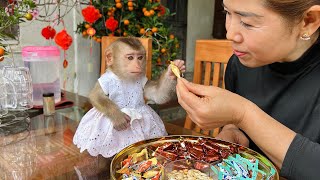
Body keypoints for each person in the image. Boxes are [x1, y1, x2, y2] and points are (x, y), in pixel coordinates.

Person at [176, 0, 320, 179]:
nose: (229, 33)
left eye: (247, 22)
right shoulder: (239, 65)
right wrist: (232, 130)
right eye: (227, 13)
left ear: (308, 21)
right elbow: (237, 127)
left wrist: (243, 114)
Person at [73, 38, 185, 158]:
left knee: (146, 155)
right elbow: (95, 96)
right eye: (130, 57)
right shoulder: (109, 79)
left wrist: (168, 77)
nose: (137, 65)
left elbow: (158, 95)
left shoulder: (140, 79)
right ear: (110, 58)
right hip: (112, 126)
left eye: (140, 58)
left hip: (140, 126)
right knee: (112, 157)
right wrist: (114, 113)